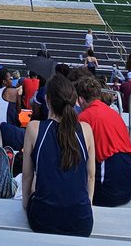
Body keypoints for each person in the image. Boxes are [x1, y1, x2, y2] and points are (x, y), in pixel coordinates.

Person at [23, 73, 95, 236]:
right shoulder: (86, 130)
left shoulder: (34, 128)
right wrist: (87, 207)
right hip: (81, 222)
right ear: (75, 100)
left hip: (43, 220)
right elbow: (90, 177)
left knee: (37, 181)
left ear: (48, 101)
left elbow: (27, 175)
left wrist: (26, 205)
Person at [76, 74, 131, 207]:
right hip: (129, 187)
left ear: (81, 99)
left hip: (109, 192)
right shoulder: (113, 113)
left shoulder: (84, 117)